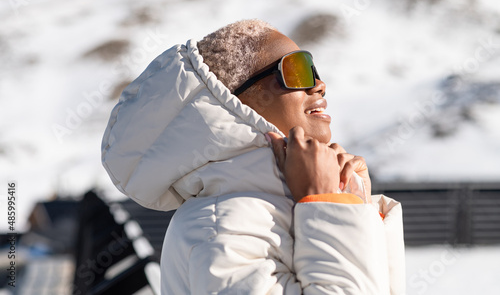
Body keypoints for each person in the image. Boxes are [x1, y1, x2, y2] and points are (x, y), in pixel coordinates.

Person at [101, 19, 405, 294]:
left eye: (314, 70)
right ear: (231, 101)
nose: (320, 85)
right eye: (297, 69)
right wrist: (328, 204)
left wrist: (353, 200)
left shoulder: (268, 206)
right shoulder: (218, 228)